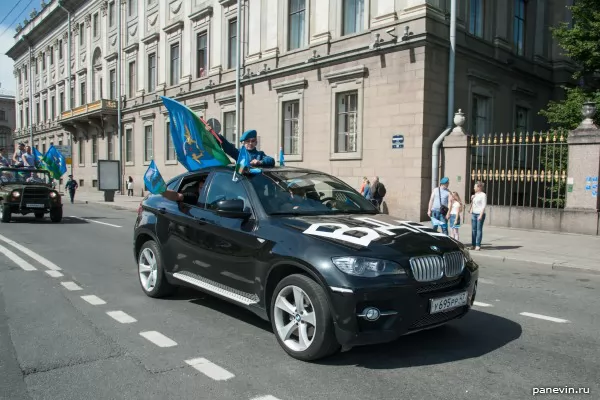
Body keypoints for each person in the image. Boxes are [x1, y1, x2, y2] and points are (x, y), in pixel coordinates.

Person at [469, 181, 487, 251]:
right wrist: (472, 199)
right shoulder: (475, 194)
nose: (474, 188)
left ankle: (478, 245)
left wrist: (481, 215)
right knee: (473, 230)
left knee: (479, 230)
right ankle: (473, 244)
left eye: (475, 186)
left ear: (479, 187)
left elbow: (483, 206)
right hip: (474, 213)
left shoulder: (483, 195)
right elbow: (473, 204)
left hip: (480, 214)